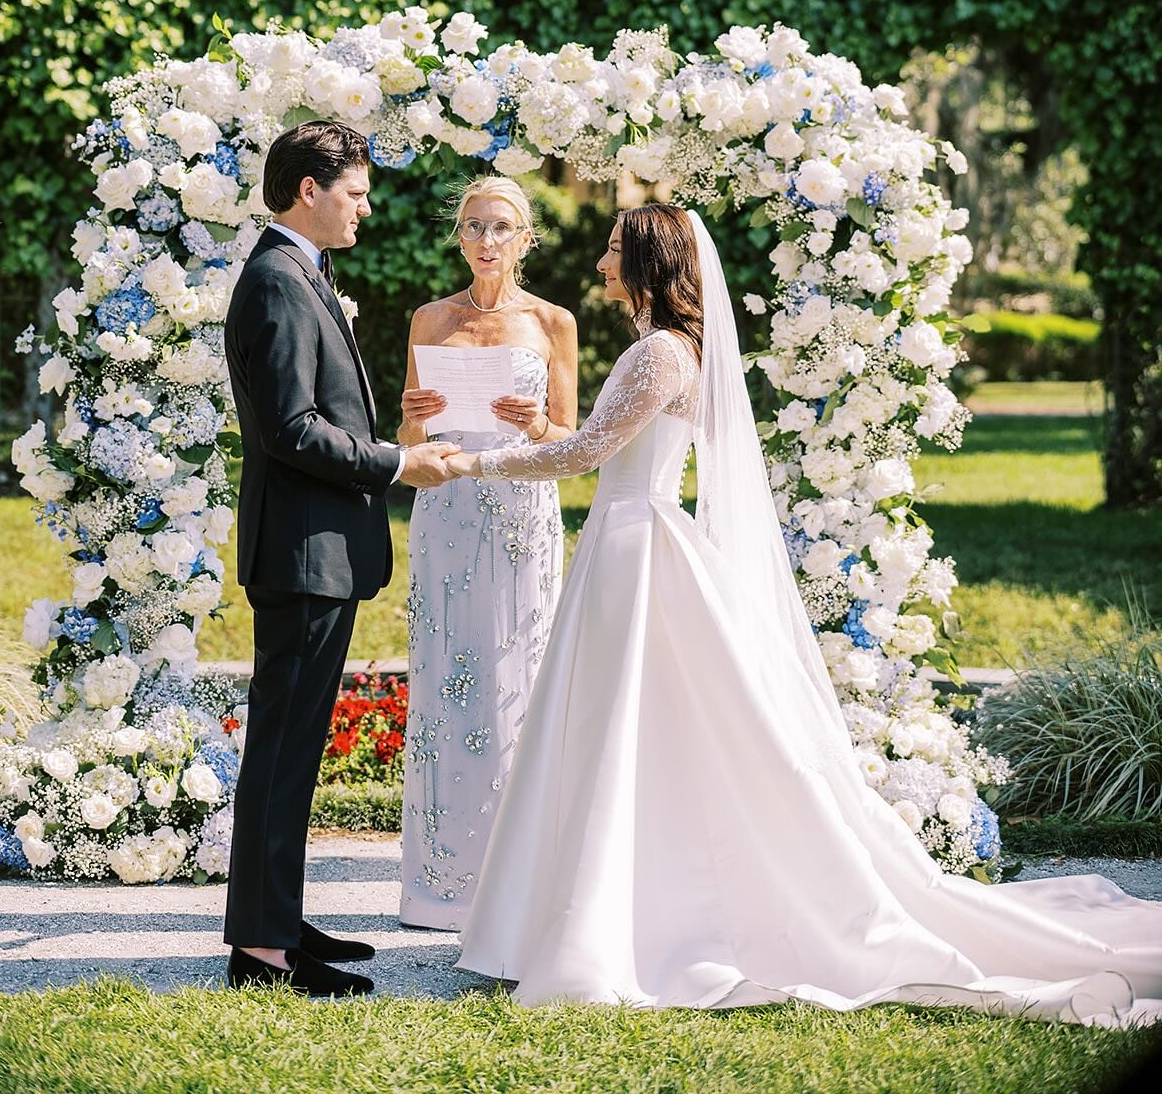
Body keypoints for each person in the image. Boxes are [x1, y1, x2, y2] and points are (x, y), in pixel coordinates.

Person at [448, 204, 1162, 1023]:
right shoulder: (664, 348)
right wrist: (532, 433)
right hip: (626, 538)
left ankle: (612, 921)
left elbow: (585, 454)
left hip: (635, 543)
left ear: (648, 262)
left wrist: (471, 463)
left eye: (615, 250)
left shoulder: (658, 352)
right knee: (617, 726)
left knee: (623, 725)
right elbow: (595, 443)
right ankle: (592, 910)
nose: (602, 261)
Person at [221, 121, 458, 996]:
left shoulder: (299, 272)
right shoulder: (278, 282)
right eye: (354, 193)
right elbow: (290, 429)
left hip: (313, 548)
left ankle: (277, 921)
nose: (364, 208)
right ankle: (261, 953)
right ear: (308, 191)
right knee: (282, 749)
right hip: (301, 551)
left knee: (293, 747)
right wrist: (397, 463)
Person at [396, 178, 577, 929]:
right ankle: (440, 883)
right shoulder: (430, 319)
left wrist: (534, 425)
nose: (486, 239)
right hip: (447, 512)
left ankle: (519, 881)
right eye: (474, 225)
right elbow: (409, 440)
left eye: (501, 226)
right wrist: (411, 421)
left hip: (522, 518)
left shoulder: (553, 322)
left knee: (518, 679)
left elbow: (570, 442)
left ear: (526, 238)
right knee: (446, 679)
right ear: (459, 237)